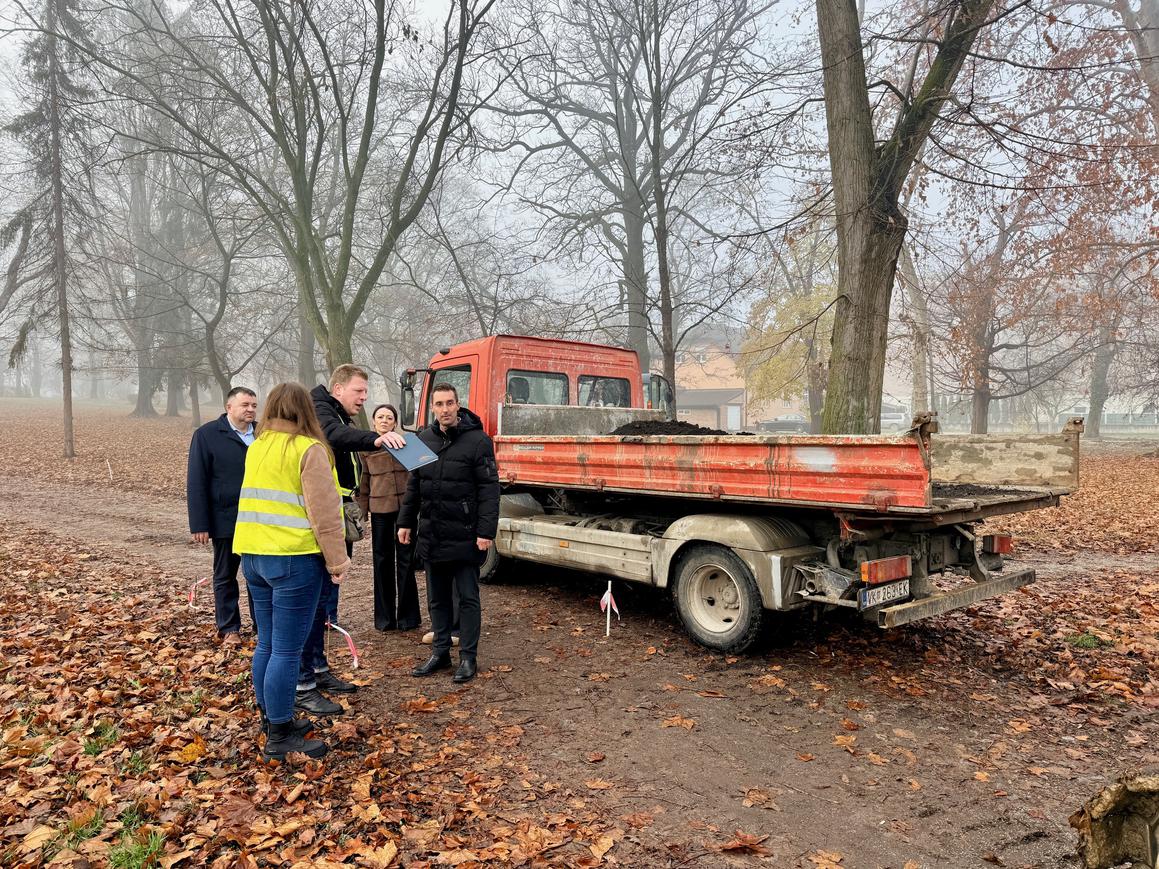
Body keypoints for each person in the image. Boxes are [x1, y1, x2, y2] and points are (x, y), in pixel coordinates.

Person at [233, 382, 349, 762]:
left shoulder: (258, 446)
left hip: (253, 556)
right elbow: (325, 514)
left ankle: (272, 719)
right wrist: (337, 562)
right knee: (286, 649)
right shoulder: (309, 449)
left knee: (267, 643)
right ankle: (280, 735)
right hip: (293, 558)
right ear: (305, 410)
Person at [296, 365, 404, 717]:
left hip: (340, 510)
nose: (364, 398)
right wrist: (375, 438)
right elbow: (334, 434)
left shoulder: (337, 410)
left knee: (325, 598)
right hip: (323, 517)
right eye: (359, 391)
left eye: (365, 392)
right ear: (338, 388)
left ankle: (319, 669)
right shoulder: (320, 409)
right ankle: (304, 682)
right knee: (316, 601)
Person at [398, 382, 500, 684]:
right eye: (439, 404)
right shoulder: (421, 440)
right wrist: (405, 522)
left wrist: (485, 531)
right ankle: (440, 652)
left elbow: (489, 490)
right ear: (432, 407)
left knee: (468, 598)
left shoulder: (479, 441)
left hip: (465, 534)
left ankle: (468, 657)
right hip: (432, 533)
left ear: (458, 405)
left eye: (449, 403)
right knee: (437, 598)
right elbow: (414, 485)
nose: (445, 409)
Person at [186, 386, 259, 646]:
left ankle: (262, 627)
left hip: (259, 519)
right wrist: (200, 523)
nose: (250, 410)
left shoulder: (263, 434)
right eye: (245, 405)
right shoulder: (207, 435)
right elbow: (196, 481)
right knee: (225, 576)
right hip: (225, 518)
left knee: (259, 576)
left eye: (254, 405)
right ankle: (229, 628)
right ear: (229, 407)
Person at [357, 404, 421, 632]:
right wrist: (362, 512)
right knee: (382, 561)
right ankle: (384, 619)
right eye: (380, 417)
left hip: (405, 512)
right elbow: (363, 481)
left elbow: (418, 476)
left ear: (395, 422)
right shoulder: (366, 447)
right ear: (374, 421)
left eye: (389, 417)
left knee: (406, 560)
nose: (384, 421)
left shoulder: (406, 443)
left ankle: (408, 618)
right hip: (380, 511)